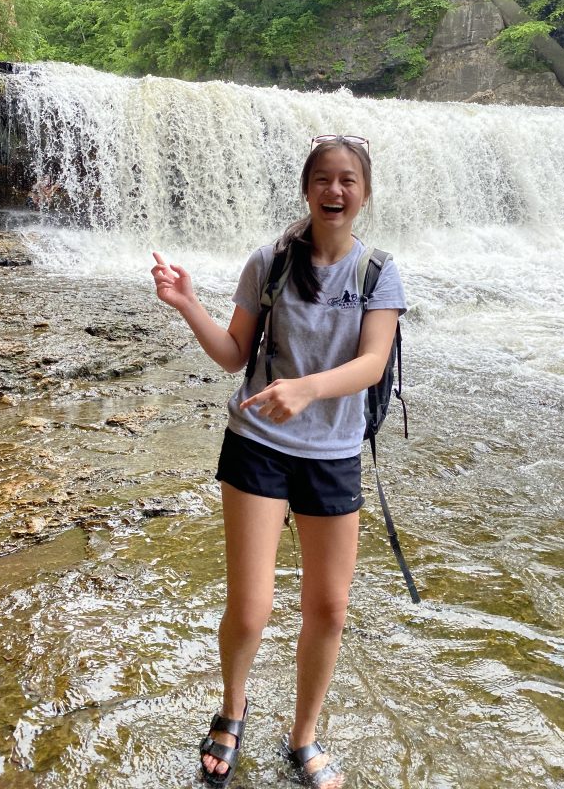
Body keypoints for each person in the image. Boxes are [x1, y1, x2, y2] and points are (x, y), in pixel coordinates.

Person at [151, 135, 406, 788]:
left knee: (329, 609)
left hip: (334, 455)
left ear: (364, 193)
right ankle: (232, 708)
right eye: (323, 179)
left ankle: (304, 736)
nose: (335, 191)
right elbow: (235, 355)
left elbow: (373, 362)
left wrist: (307, 388)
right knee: (252, 606)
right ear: (307, 188)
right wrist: (186, 305)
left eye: (348, 180)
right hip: (258, 444)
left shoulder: (379, 273)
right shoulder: (268, 264)